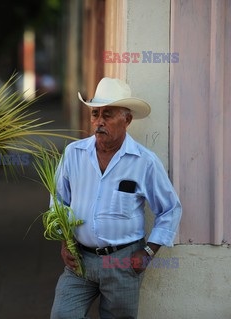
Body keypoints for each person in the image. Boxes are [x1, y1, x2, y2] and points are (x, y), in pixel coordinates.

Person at [51, 78, 182, 319]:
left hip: (123, 262)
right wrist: (63, 242)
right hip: (79, 260)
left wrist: (149, 252)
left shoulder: (144, 161)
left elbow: (170, 210)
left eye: (108, 115)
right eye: (95, 114)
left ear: (127, 120)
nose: (99, 122)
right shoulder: (74, 154)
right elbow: (59, 201)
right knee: (63, 314)